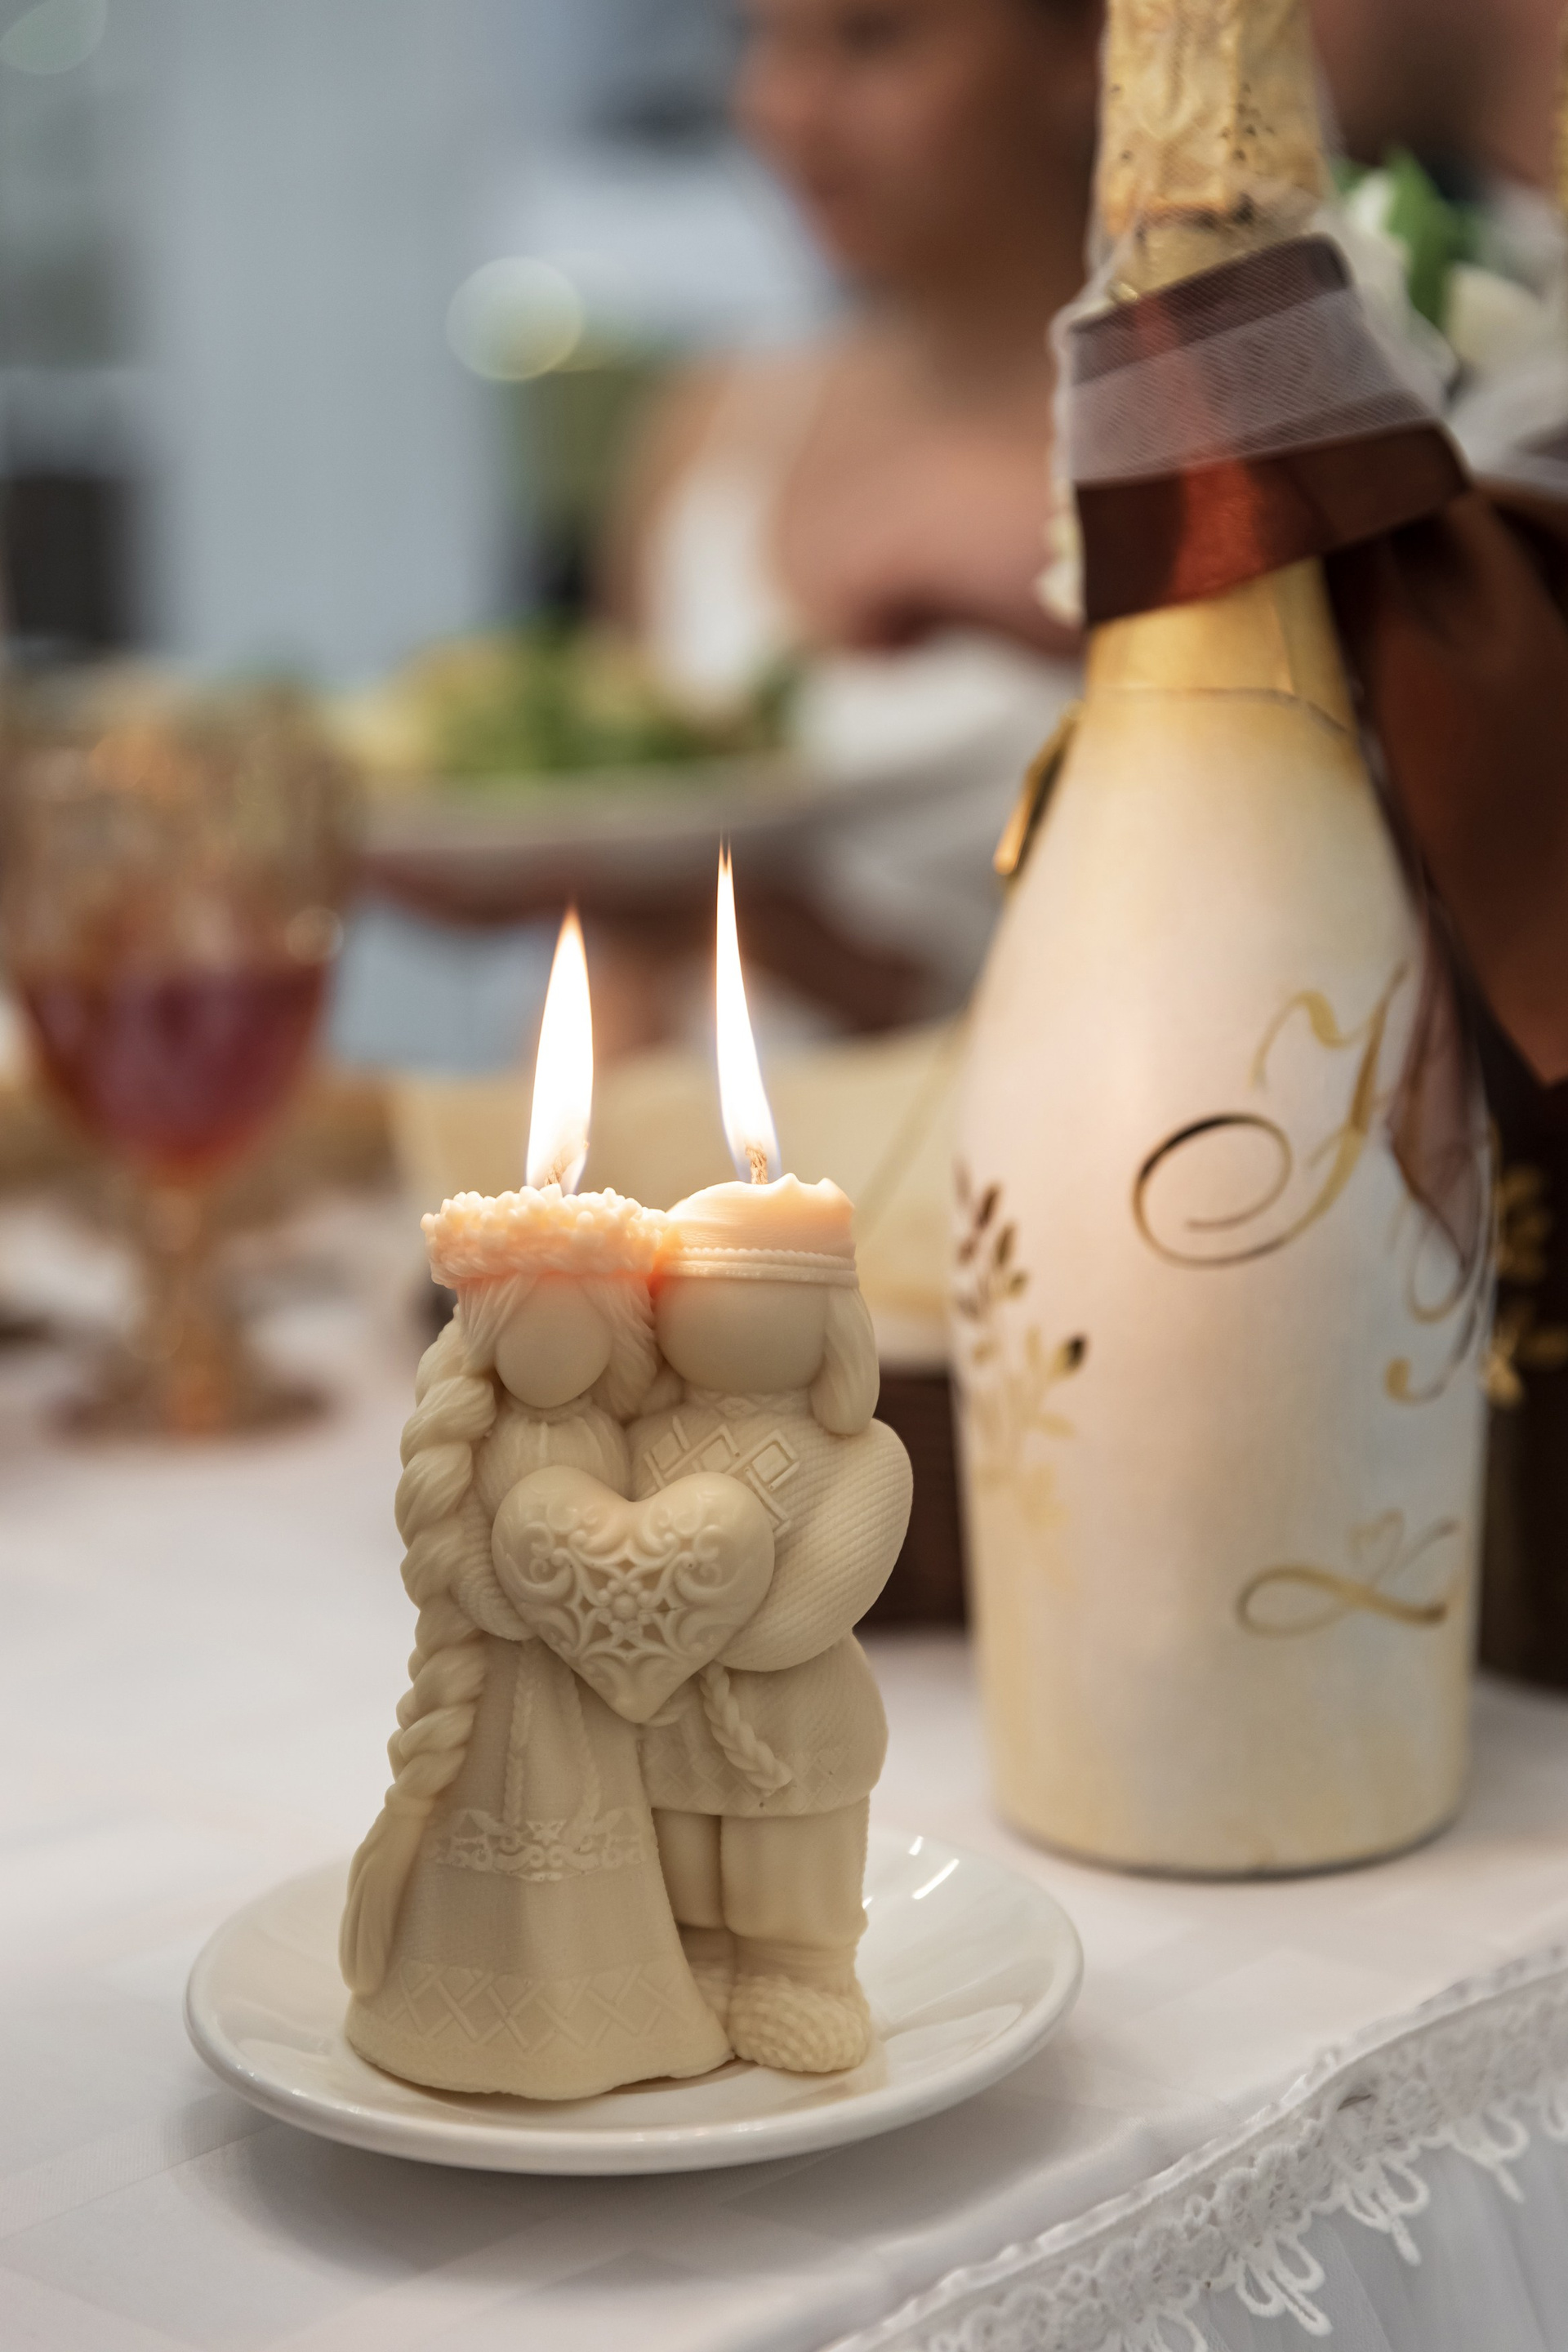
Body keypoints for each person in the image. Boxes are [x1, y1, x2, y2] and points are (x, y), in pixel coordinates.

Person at [604, 0, 1103, 1012]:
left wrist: (786, 944)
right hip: (697, 1114)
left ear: (1081, 49)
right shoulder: (709, 421)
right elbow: (617, 941)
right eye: (757, 39)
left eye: (872, 40)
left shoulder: (1215, 451)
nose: (790, 110)